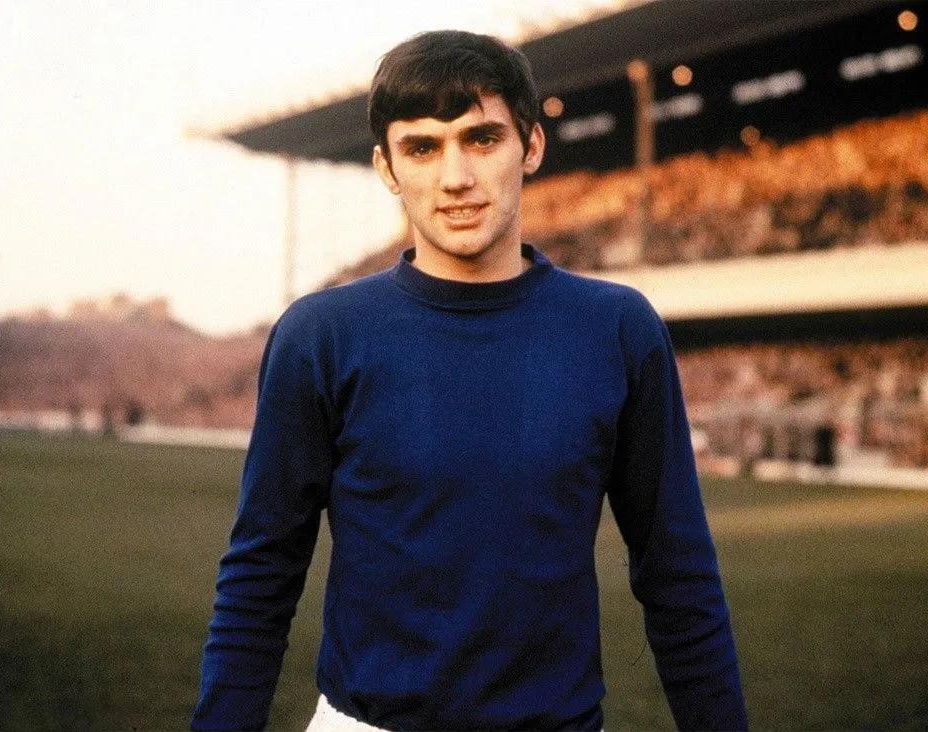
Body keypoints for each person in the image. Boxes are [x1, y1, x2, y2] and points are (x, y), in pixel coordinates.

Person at [192, 30, 747, 732]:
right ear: (387, 167)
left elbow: (678, 576)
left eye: (481, 139)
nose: (455, 176)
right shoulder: (321, 334)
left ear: (532, 145)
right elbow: (260, 575)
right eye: (422, 147)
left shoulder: (617, 329)